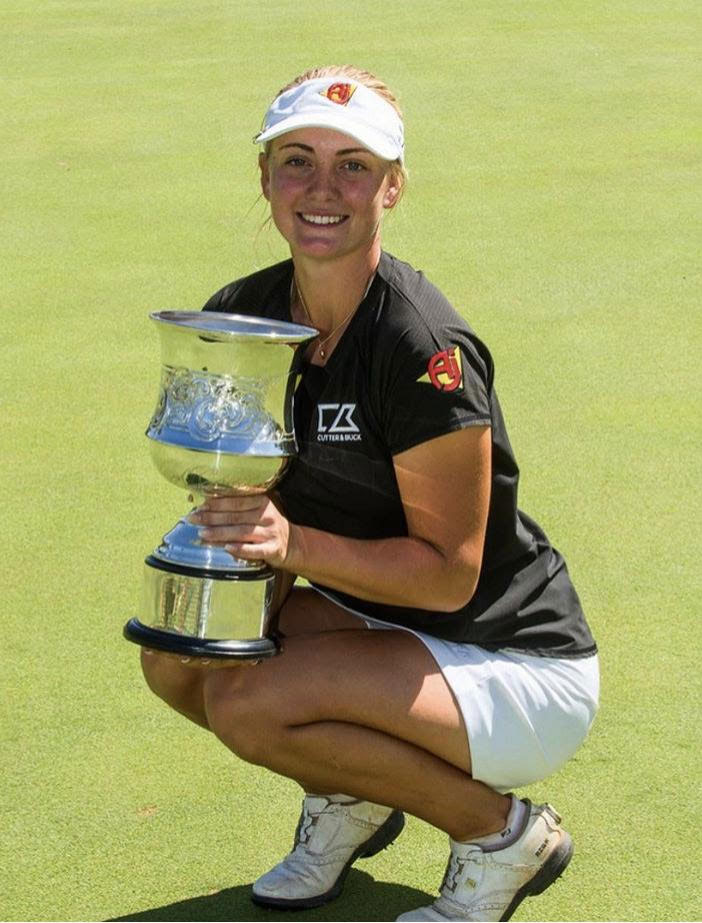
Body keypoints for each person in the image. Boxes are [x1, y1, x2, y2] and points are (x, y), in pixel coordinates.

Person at [140, 65, 599, 922]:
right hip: (385, 630)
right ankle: (350, 790)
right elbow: (252, 503)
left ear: (393, 185)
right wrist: (232, 598)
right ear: (266, 177)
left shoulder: (424, 348)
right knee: (180, 656)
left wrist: (294, 547)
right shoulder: (245, 314)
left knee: (254, 702)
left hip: (511, 659)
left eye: (354, 165)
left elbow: (449, 578)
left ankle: (504, 836)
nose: (323, 189)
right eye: (298, 161)